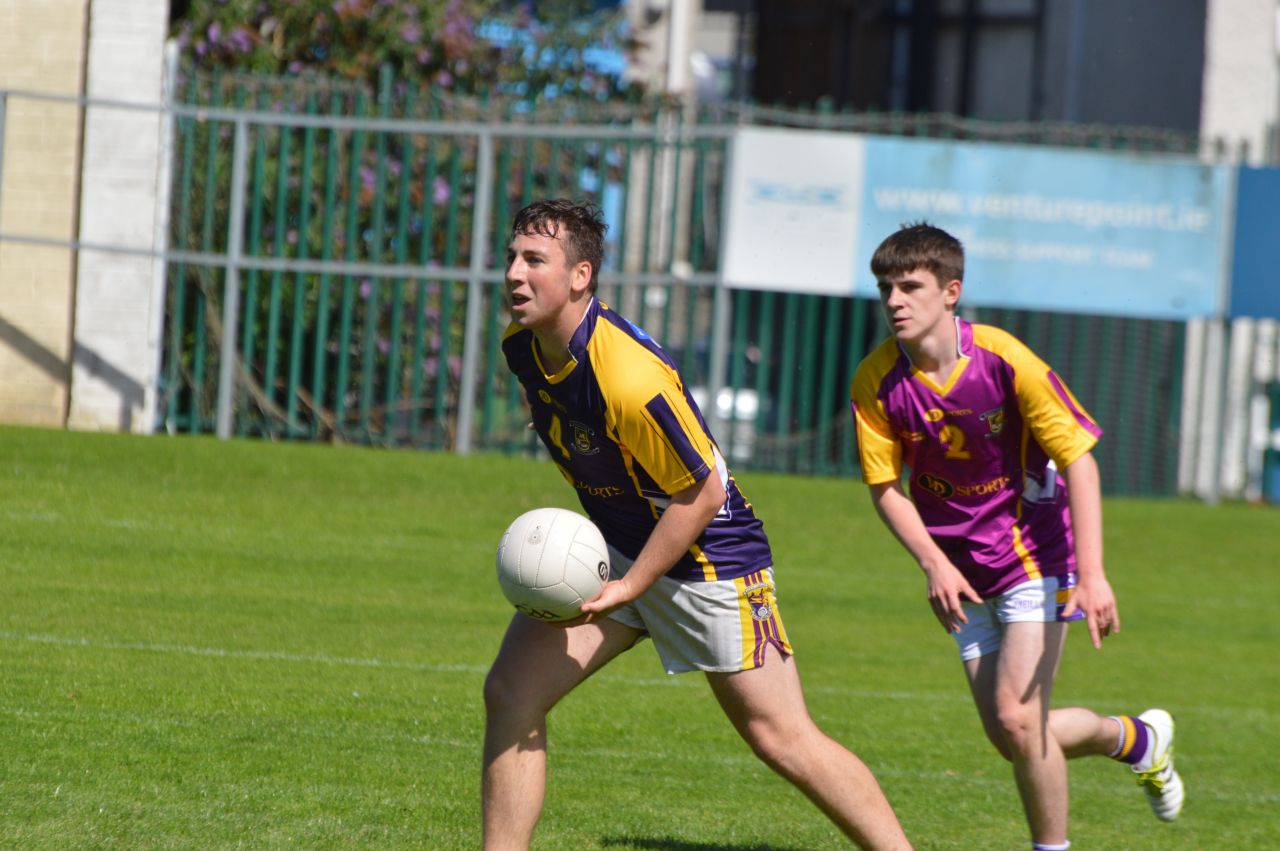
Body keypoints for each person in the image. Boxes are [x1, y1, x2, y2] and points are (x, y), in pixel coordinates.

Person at [482, 199, 912, 851]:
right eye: (512, 256)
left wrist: (632, 587)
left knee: (781, 737)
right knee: (512, 690)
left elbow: (704, 492)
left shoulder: (628, 376)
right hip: (623, 549)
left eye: (533, 259)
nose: (514, 271)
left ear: (580, 276)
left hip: (712, 562)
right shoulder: (523, 348)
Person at [849, 222, 1183, 850]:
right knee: (1013, 736)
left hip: (1035, 552)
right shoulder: (875, 380)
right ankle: (1134, 740)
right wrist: (932, 563)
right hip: (959, 570)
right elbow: (883, 485)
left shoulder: (1004, 358)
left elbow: (1080, 459)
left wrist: (1094, 574)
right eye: (886, 287)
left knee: (1017, 720)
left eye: (910, 286)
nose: (894, 299)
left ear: (952, 292)